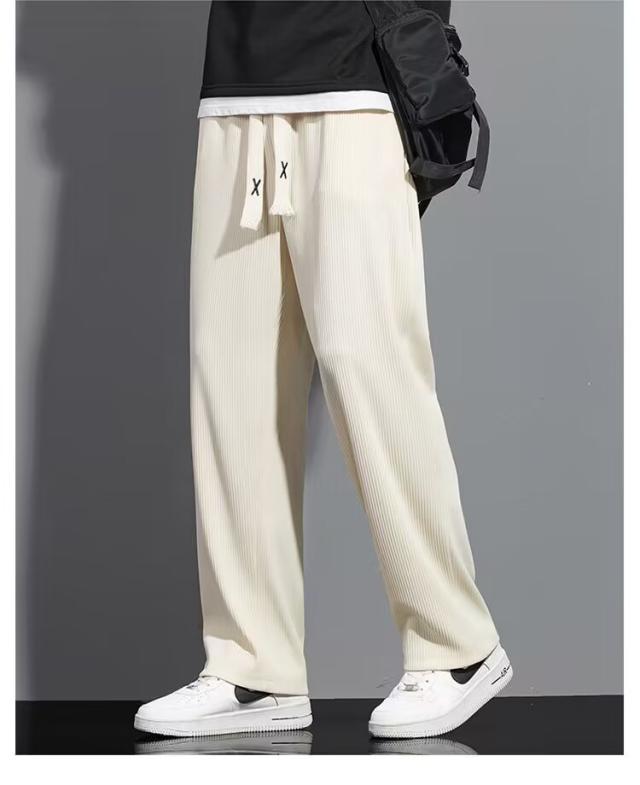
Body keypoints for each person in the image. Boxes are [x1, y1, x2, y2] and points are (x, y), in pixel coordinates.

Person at [134, 0, 511, 740]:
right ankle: (253, 668)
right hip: (237, 84)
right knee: (233, 378)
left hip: (356, 75)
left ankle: (457, 646)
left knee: (368, 360)